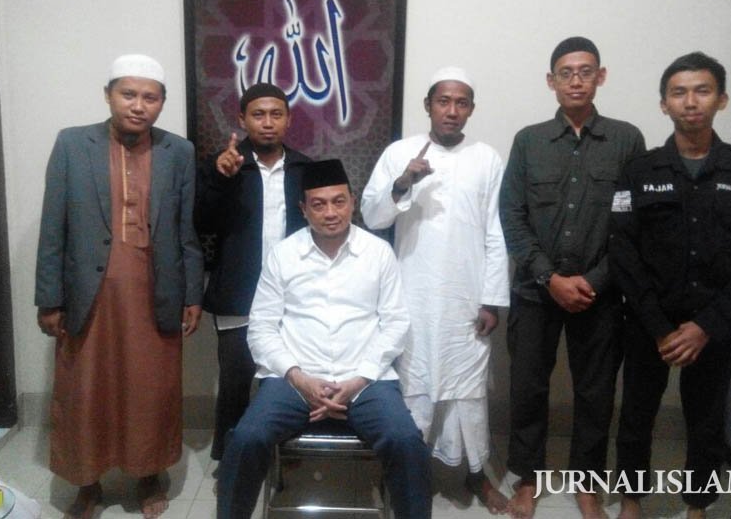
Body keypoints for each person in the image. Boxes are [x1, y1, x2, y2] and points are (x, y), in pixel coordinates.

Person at [34, 54, 204, 519]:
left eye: (150, 97)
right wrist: (49, 299)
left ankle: (148, 475)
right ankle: (87, 482)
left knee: (151, 389)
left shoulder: (179, 151)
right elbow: (53, 226)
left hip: (155, 292)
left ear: (162, 103)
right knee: (86, 389)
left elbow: (186, 230)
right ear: (108, 95)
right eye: (128, 94)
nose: (138, 105)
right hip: (88, 295)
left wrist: (192, 293)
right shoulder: (72, 144)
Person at [217, 159, 431, 519]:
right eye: (319, 204)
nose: (330, 212)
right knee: (245, 439)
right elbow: (262, 327)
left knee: (407, 441)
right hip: (293, 381)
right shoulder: (284, 254)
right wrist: (299, 378)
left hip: (365, 381)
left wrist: (358, 379)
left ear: (352, 202)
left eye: (338, 201)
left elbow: (396, 323)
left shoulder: (378, 253)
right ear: (304, 209)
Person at [611, 52, 731, 519]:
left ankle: (698, 506)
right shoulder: (638, 170)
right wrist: (660, 326)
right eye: (678, 92)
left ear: (721, 99)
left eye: (702, 90)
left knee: (706, 422)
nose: (690, 101)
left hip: (714, 324)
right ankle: (631, 500)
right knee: (636, 416)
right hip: (649, 322)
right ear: (664, 104)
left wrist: (705, 326)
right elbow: (623, 250)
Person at [499, 37, 646, 519]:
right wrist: (549, 277)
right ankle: (527, 478)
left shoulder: (626, 140)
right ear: (551, 81)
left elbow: (633, 222)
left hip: (599, 295)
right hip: (535, 292)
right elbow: (512, 215)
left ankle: (587, 484)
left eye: (585, 71)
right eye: (566, 72)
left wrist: (596, 280)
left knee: (595, 393)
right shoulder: (529, 140)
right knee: (528, 389)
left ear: (601, 76)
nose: (576, 80)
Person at [362, 66, 511, 513]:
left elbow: (495, 231)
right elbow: (372, 217)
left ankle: (476, 474)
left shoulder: (487, 158)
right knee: (413, 380)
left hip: (467, 297)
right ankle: (407, 474)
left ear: (471, 109)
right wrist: (404, 181)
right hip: (413, 293)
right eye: (443, 101)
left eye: (461, 103)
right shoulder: (400, 152)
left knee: (467, 386)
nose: (452, 110)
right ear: (427, 105)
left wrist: (492, 299)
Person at [195, 82, 311, 468]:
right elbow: (201, 223)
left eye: (276, 114)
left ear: (288, 120)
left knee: (284, 382)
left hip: (293, 297)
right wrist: (220, 178)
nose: (267, 122)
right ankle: (230, 461)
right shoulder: (224, 164)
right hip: (238, 294)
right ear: (242, 119)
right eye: (258, 115)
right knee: (235, 382)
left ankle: (282, 456)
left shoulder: (304, 168)